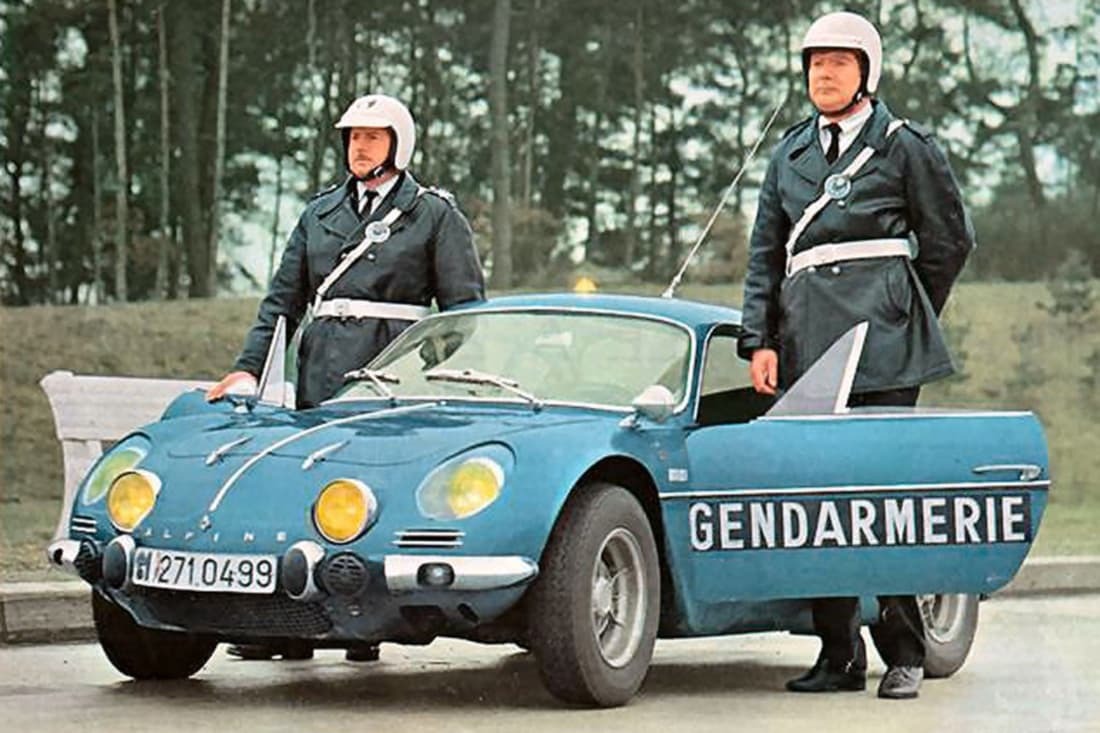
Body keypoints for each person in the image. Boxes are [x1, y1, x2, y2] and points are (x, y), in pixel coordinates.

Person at [737, 11, 974, 699]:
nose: (825, 74)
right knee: (819, 494)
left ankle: (904, 651)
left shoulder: (903, 147)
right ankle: (838, 652)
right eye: (816, 63)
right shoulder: (789, 154)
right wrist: (760, 340)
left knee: (883, 493)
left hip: (884, 344)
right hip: (808, 340)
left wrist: (903, 306)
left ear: (866, 71)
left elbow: (949, 239)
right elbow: (764, 256)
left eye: (839, 62)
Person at [207, 93, 486, 661]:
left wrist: (438, 382)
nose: (360, 147)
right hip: (322, 368)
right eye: (354, 137)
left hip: (392, 374)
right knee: (305, 485)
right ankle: (291, 627)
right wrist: (246, 370)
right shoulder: (319, 213)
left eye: (373, 137)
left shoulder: (432, 214)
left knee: (370, 496)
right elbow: (281, 303)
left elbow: (463, 315)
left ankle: (364, 627)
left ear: (398, 145)